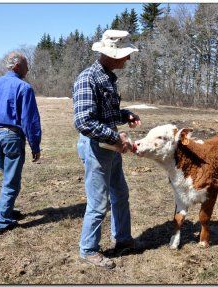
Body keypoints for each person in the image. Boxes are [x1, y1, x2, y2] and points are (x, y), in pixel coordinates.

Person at [73, 30, 142, 269]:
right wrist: (116, 137)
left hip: (110, 145)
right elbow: (83, 121)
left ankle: (123, 239)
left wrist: (126, 115)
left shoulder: (108, 78)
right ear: (111, 55)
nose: (128, 59)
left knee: (120, 194)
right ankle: (88, 249)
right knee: (98, 202)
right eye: (125, 54)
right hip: (96, 147)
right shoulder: (88, 78)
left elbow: (106, 114)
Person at [0, 52, 42, 235]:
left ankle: (7, 210)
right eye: (26, 65)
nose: (28, 69)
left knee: (8, 176)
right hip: (11, 137)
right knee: (11, 181)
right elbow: (30, 121)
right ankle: (2, 222)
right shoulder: (24, 88)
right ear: (16, 66)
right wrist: (35, 145)